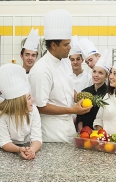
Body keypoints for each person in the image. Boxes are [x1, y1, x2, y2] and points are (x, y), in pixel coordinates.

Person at [29, 9, 91, 143]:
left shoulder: (64, 62)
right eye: (66, 44)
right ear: (53, 45)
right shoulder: (41, 70)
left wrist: (78, 99)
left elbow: (68, 87)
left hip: (68, 127)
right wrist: (71, 109)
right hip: (51, 132)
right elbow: (40, 106)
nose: (70, 47)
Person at [0, 64, 42, 160]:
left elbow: (37, 138)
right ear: (19, 102)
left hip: (29, 146)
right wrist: (20, 149)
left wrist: (31, 150)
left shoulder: (33, 109)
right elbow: (5, 142)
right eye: (29, 98)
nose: (33, 99)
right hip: (8, 154)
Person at [76, 49, 111, 131]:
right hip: (85, 133)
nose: (96, 75)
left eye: (100, 73)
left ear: (106, 76)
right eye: (94, 72)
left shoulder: (109, 93)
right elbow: (79, 116)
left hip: (101, 133)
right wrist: (81, 132)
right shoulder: (85, 92)